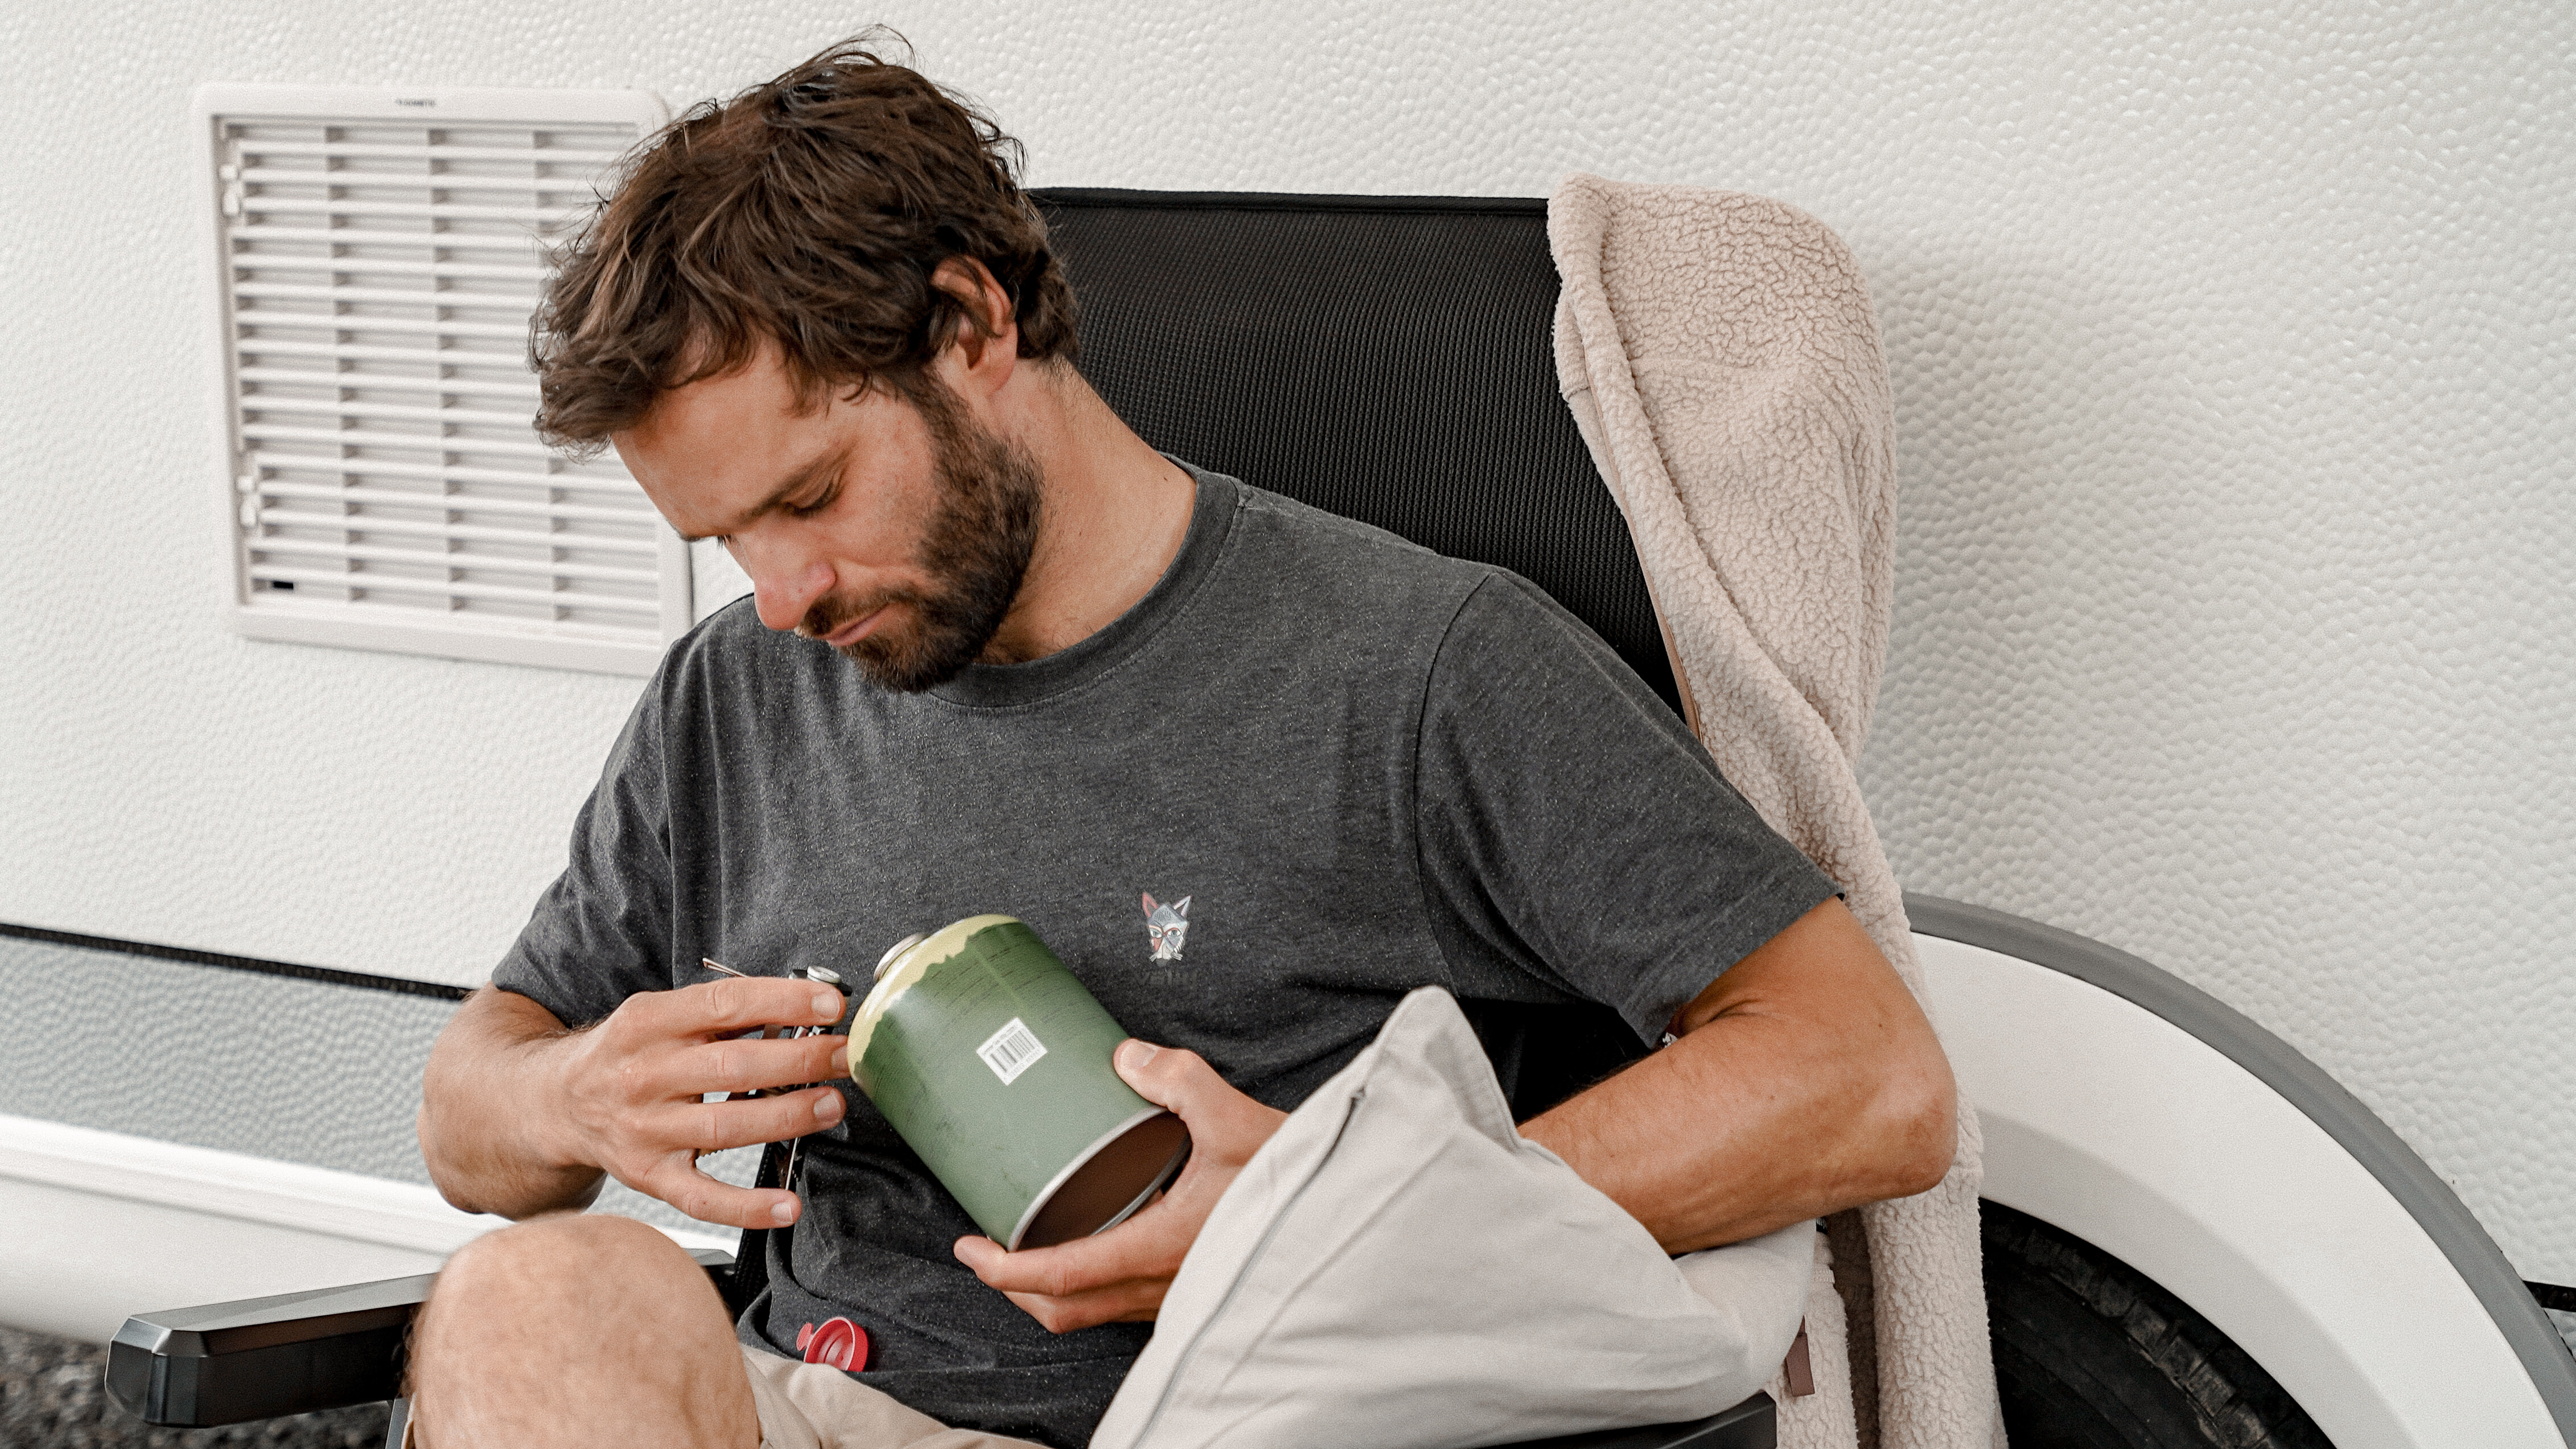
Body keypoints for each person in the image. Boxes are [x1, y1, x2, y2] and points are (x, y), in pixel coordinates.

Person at [407, 35, 1957, 1449]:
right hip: (832, 1407)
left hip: (1236, 1411)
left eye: (808, 498)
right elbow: (470, 1100)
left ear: (972, 324)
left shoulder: (1417, 667)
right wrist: (569, 1098)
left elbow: (1868, 1076)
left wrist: (1341, 1214)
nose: (783, 595)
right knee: (525, 1298)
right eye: (727, 538)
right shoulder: (736, 694)